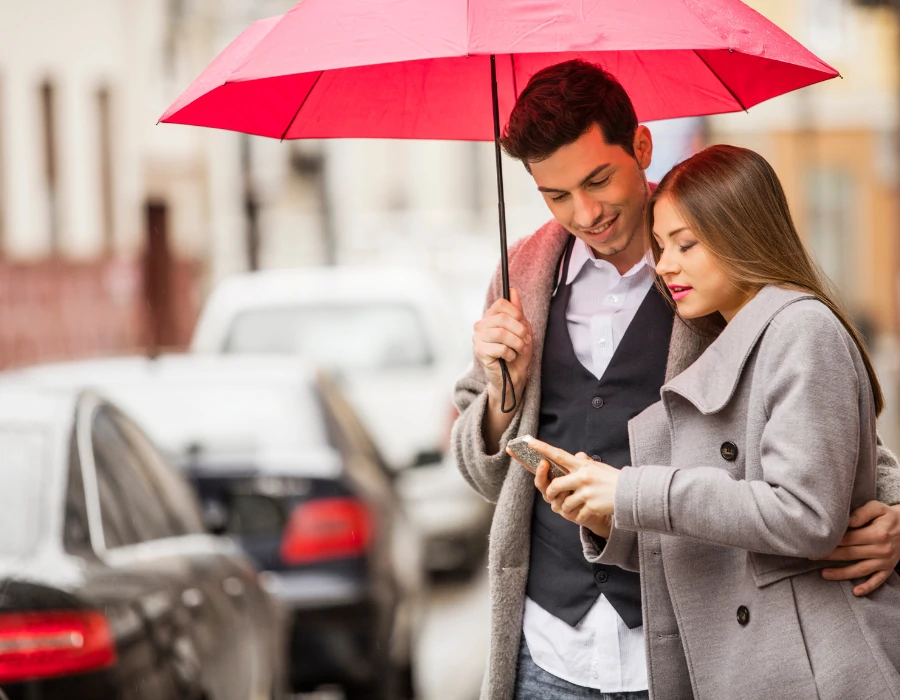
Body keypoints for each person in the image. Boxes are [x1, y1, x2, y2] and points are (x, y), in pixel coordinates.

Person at [450, 59, 900, 700]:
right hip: (547, 648)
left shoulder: (718, 264)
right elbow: (484, 476)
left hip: (693, 639)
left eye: (598, 179)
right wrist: (502, 394)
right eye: (555, 195)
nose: (584, 212)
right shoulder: (521, 276)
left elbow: (838, 430)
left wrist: (897, 513)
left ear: (641, 146)